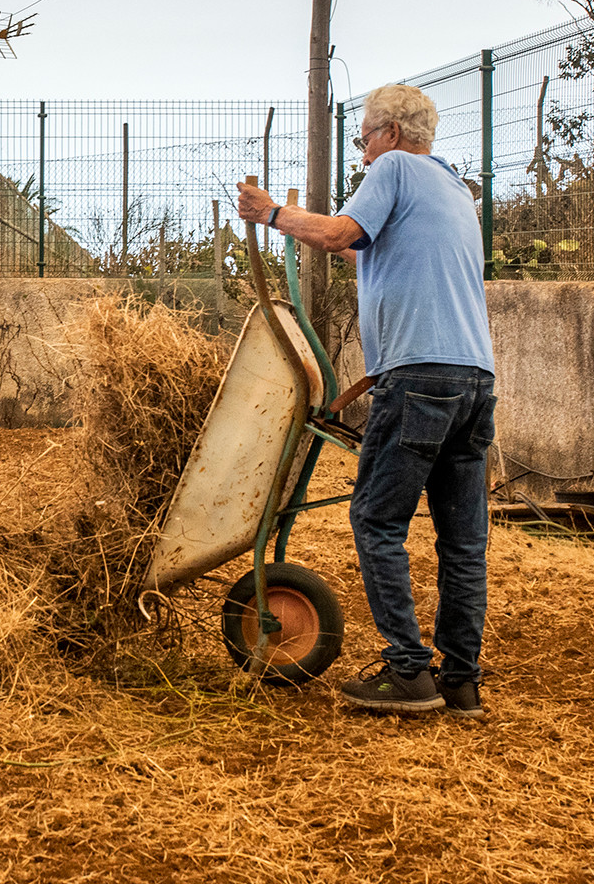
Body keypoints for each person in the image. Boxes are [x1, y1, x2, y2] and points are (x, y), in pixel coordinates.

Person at [233, 83, 495, 718]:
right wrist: (318, 231)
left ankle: (409, 672)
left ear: (393, 135)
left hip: (418, 379)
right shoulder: (455, 189)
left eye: (365, 139)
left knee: (376, 521)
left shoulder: (396, 168)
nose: (364, 153)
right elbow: (362, 244)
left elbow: (340, 233)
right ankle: (460, 681)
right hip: (475, 380)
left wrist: (272, 214)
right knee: (463, 544)